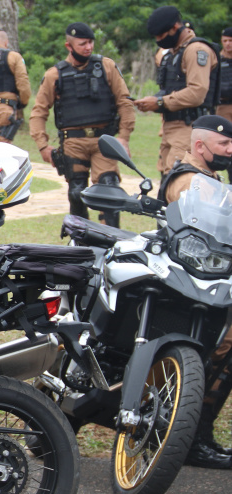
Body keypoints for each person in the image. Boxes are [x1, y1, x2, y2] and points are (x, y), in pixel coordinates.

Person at [158, 115, 232, 469]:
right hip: (191, 287)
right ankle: (194, 438)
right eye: (225, 145)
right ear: (200, 146)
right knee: (221, 349)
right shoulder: (190, 180)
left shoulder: (212, 178)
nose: (230, 150)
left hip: (206, 279)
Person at [29, 22, 135, 228]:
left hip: (104, 140)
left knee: (109, 191)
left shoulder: (106, 66)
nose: (88, 47)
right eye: (82, 43)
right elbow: (39, 112)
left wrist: (124, 136)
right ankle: (81, 245)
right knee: (76, 193)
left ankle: (111, 241)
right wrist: (42, 145)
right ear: (68, 46)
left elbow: (125, 101)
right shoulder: (55, 74)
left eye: (91, 42)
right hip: (74, 142)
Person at [135, 6, 219, 176]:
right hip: (171, 127)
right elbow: (172, 89)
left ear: (175, 28)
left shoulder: (196, 50)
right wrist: (153, 101)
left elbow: (197, 93)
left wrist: (160, 102)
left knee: (180, 182)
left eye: (161, 36)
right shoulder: (174, 53)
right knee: (167, 182)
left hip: (189, 126)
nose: (159, 40)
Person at [218, 28, 232, 182]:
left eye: (231, 41)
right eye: (225, 40)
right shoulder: (218, 60)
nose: (228, 44)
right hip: (223, 108)